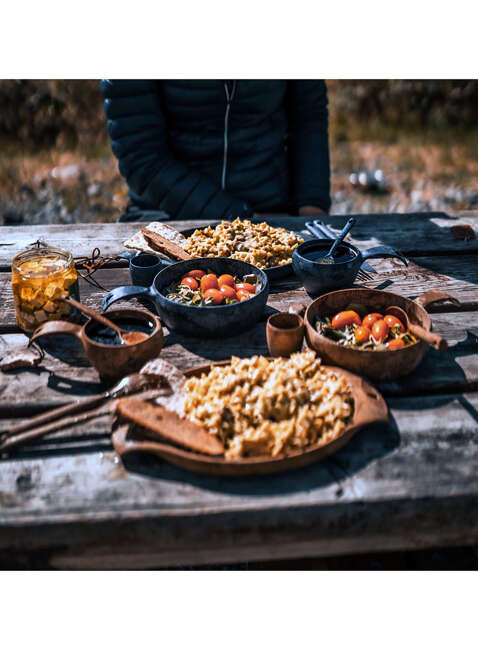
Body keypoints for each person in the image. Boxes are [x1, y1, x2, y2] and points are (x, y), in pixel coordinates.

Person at [100, 80, 331, 222]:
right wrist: (238, 218)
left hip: (273, 211)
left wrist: (311, 208)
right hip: (166, 215)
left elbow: (309, 116)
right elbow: (141, 158)